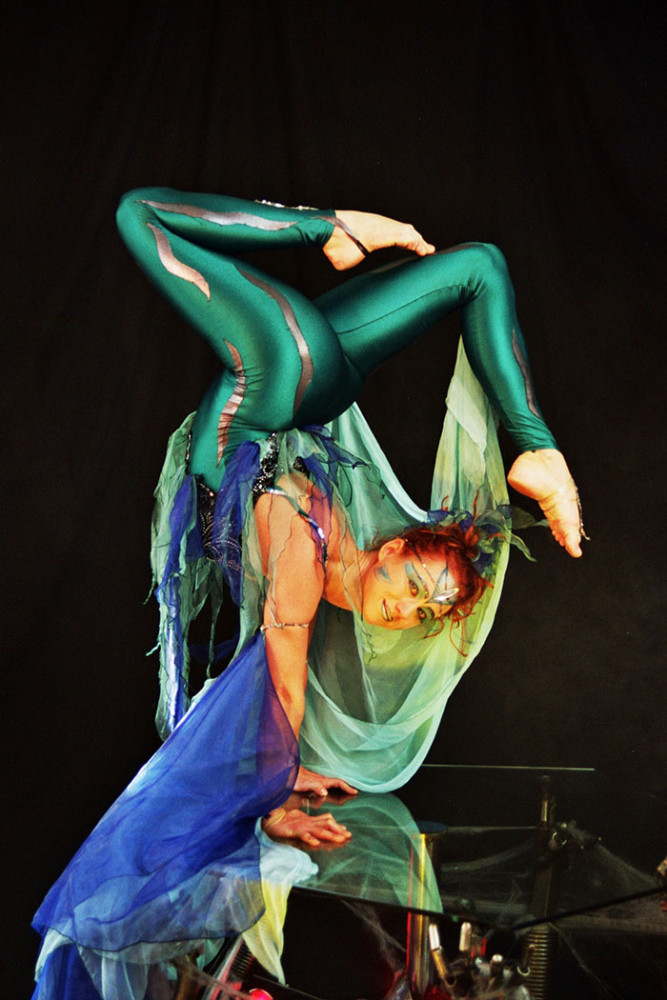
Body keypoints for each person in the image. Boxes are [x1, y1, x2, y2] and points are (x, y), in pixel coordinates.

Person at [31, 190, 585, 1000]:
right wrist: (269, 803)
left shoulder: (326, 540)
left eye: (425, 613)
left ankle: (534, 445)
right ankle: (336, 233)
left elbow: (271, 688)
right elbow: (283, 681)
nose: (407, 612)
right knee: (135, 213)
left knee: (476, 266)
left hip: (312, 381)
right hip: (280, 376)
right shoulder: (301, 549)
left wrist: (284, 779)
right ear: (389, 547)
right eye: (413, 585)